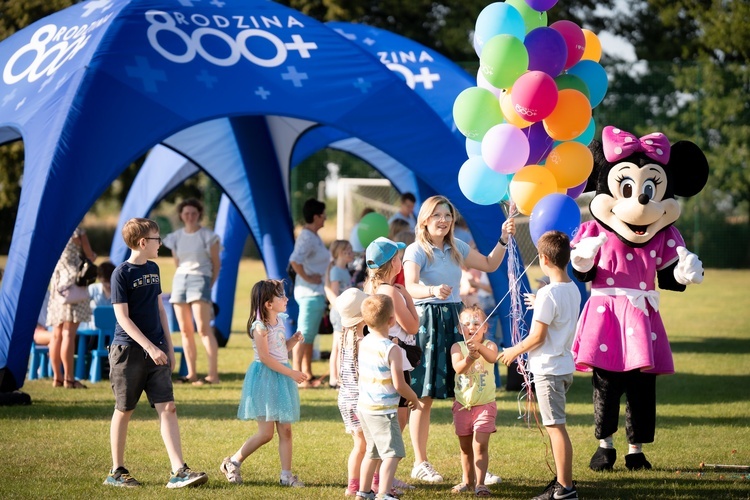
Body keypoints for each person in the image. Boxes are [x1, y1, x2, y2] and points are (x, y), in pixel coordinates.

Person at [402, 195, 515, 483]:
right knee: (423, 396)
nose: (444, 220)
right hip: (426, 322)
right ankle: (420, 462)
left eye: (448, 215)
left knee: (466, 392)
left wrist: (503, 239)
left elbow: (490, 264)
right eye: (437, 215)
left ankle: (476, 467)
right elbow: (411, 287)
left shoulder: (457, 247)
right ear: (425, 220)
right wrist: (431, 291)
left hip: (455, 318)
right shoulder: (415, 250)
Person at [105, 218, 208, 488]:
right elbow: (123, 319)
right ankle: (116, 471)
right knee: (125, 409)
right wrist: (149, 347)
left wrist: (168, 347)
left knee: (168, 407)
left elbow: (160, 309)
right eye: (156, 239)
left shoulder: (154, 267)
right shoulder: (121, 274)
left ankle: (179, 471)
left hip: (157, 352)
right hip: (128, 351)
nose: (160, 243)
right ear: (142, 243)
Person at [498, 230, 581, 500]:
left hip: (549, 370)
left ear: (544, 259)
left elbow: (537, 337)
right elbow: (558, 311)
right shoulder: (572, 289)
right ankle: (562, 481)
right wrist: (540, 301)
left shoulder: (548, 294)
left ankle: (565, 488)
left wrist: (513, 351)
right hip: (563, 367)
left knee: (556, 428)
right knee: (556, 426)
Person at [220, 279, 307, 487]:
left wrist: (292, 342)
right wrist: (292, 372)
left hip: (281, 377)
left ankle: (286, 475)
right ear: (268, 304)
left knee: (286, 430)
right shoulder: (259, 327)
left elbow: (279, 350)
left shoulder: (280, 320)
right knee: (266, 433)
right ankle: (232, 462)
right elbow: (266, 358)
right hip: (266, 378)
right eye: (281, 296)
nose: (286, 298)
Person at [364, 237, 420, 493]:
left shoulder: (373, 287)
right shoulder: (391, 291)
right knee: (397, 423)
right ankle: (383, 481)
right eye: (398, 256)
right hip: (396, 360)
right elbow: (412, 326)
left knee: (391, 425)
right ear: (393, 263)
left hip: (380, 361)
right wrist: (407, 293)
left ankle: (377, 480)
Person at [356, 294, 421, 500]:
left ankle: (363, 492)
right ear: (392, 320)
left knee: (372, 452)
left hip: (365, 408)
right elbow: (399, 383)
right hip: (384, 411)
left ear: (366, 321)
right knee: (393, 453)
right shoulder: (392, 349)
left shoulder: (364, 342)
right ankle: (383, 493)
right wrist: (415, 399)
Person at [162, 198, 221, 386]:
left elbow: (216, 264)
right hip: (180, 280)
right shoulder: (175, 237)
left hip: (200, 279)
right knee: (185, 331)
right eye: (186, 213)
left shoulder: (208, 236)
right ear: (181, 215)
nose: (190, 217)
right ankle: (192, 374)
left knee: (203, 329)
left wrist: (208, 283)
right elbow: (177, 262)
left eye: (193, 213)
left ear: (199, 215)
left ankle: (213, 375)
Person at [450, 305, 499, 497]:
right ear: (460, 328)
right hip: (462, 406)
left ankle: (480, 483)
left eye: (477, 323)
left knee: (479, 446)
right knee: (465, 448)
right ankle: (467, 480)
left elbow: (493, 358)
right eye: (467, 324)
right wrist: (470, 356)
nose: (472, 327)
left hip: (485, 405)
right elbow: (459, 368)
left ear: (485, 328)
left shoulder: (489, 345)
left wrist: (478, 348)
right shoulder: (457, 347)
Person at [47, 226, 97, 389]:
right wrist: (92, 256)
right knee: (68, 334)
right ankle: (69, 378)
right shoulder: (77, 230)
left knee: (56, 334)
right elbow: (89, 255)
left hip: (57, 285)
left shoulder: (53, 229)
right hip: (73, 285)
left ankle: (57, 377)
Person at [289, 198, 329, 386]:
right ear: (315, 216)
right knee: (303, 334)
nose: (326, 218)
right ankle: (298, 376)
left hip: (315, 292)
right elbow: (295, 260)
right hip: (309, 292)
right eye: (323, 215)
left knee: (310, 334)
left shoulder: (313, 236)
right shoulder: (306, 237)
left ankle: (307, 373)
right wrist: (307, 277)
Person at [333, 288, 369, 496]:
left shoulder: (343, 338)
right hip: (360, 401)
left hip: (345, 399)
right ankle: (372, 483)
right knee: (369, 447)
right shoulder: (363, 342)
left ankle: (352, 486)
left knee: (359, 445)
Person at [326, 240, 355, 389]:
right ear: (340, 253)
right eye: (348, 251)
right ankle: (335, 379)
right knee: (338, 346)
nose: (351, 254)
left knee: (339, 346)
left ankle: (336, 378)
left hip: (344, 311)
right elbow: (335, 293)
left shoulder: (344, 270)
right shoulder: (336, 271)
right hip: (339, 312)